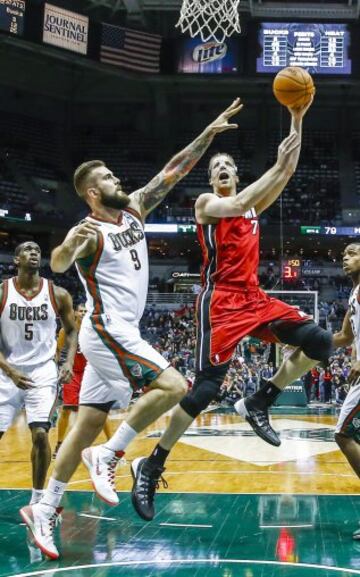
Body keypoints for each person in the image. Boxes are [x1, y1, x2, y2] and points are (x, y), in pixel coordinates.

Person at [20, 98, 243, 559]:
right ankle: (113, 455)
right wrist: (65, 248)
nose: (117, 180)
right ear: (91, 192)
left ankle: (45, 506)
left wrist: (208, 133)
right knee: (175, 385)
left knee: (85, 426)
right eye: (107, 178)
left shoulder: (136, 208)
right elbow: (59, 261)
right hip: (106, 328)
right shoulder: (87, 230)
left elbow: (173, 170)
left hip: (119, 329)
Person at [129, 96, 337, 522]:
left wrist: (296, 118)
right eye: (215, 168)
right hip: (220, 300)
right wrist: (275, 168)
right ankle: (151, 465)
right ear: (212, 179)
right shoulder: (207, 205)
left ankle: (261, 399)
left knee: (320, 341)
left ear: (237, 173)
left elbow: (288, 170)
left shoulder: (253, 207)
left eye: (227, 166)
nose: (221, 171)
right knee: (205, 390)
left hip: (254, 297)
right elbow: (243, 201)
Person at [0, 241, 77, 506]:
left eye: (38, 250)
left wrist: (67, 361)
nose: (35, 252)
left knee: (41, 434)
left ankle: (37, 500)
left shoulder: (57, 294)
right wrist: (9, 371)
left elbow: (72, 329)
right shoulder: (2, 292)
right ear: (16, 259)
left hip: (43, 373)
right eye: (28, 249)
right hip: (6, 372)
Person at [329, 243, 360, 539]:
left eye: (352, 254)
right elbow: (344, 336)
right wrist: (304, 341)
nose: (345, 258)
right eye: (344, 255)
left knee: (343, 434)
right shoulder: (353, 294)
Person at [53, 301, 111, 458]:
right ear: (75, 313)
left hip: (91, 372)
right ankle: (59, 445)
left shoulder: (94, 330)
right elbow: (58, 350)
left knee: (100, 409)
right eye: (81, 311)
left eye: (86, 311)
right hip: (73, 373)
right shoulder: (66, 330)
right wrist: (55, 368)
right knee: (66, 410)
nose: (84, 313)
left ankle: (112, 446)